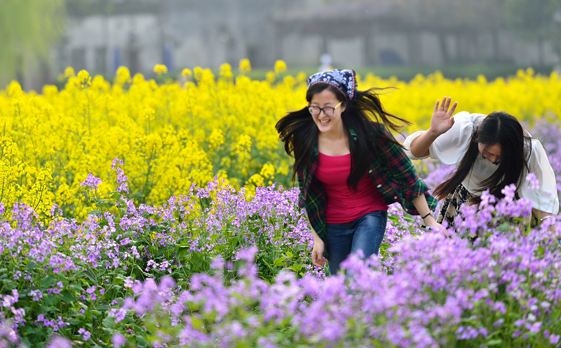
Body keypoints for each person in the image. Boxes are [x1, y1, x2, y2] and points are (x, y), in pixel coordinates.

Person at [275, 69, 439, 275]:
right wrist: (317, 239)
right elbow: (308, 195)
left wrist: (428, 219)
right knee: (342, 289)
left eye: (328, 108)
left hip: (369, 215)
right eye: (314, 108)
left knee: (356, 276)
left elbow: (407, 177)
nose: (321, 115)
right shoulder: (306, 143)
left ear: (343, 106)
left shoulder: (371, 134)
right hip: (333, 224)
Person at [404, 97, 559, 227]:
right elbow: (414, 152)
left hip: (509, 210)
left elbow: (542, 200)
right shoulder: (464, 129)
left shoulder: (528, 148)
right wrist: (432, 132)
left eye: (500, 157)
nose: (493, 159)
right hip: (465, 203)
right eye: (489, 153)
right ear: (478, 136)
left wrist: (551, 234)